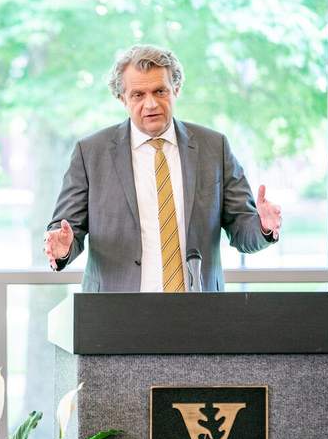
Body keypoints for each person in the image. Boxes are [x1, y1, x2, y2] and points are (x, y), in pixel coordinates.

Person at [44, 44, 282, 292]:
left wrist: (263, 227)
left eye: (160, 91)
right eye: (138, 95)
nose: (151, 104)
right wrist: (62, 249)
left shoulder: (214, 147)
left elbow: (243, 229)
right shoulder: (90, 152)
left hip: (198, 309)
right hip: (116, 312)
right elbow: (67, 230)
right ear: (122, 98)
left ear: (176, 90)